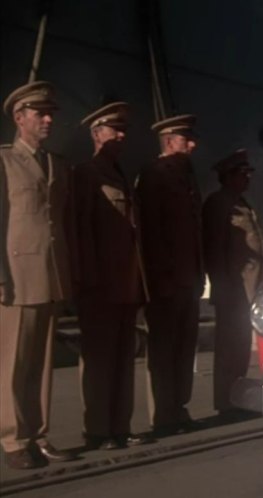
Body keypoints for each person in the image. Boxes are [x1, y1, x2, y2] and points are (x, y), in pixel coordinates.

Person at [0, 81, 77, 468]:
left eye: (50, 114)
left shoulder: (55, 163)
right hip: (16, 276)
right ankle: (14, 441)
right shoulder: (4, 162)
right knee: (13, 363)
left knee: (41, 363)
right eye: (40, 114)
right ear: (19, 118)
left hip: (50, 275)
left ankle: (40, 435)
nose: (48, 120)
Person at [73, 102, 153, 449]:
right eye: (113, 130)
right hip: (100, 285)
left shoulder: (120, 175)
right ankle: (97, 430)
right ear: (96, 134)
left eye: (123, 130)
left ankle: (120, 426)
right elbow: (80, 231)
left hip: (126, 283)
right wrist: (88, 280)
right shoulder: (86, 175)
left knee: (122, 357)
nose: (121, 136)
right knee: (99, 359)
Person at [136, 114, 205, 437]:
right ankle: (162, 414)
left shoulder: (185, 177)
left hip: (188, 279)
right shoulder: (154, 176)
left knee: (183, 347)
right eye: (184, 138)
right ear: (168, 142)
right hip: (166, 280)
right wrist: (158, 279)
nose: (192, 144)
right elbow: (150, 233)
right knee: (163, 349)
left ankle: (178, 407)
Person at [202, 149, 263, 418]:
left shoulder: (241, 202)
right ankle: (226, 403)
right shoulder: (218, 204)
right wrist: (222, 286)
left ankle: (237, 399)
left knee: (239, 346)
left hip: (247, 288)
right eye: (242, 174)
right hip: (232, 288)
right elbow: (214, 249)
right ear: (228, 176)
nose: (247, 178)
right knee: (228, 348)